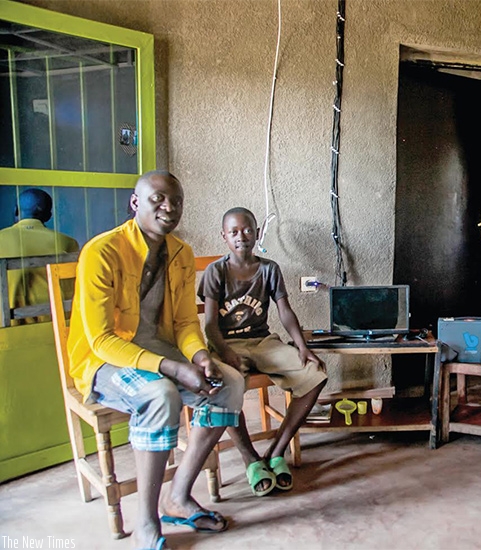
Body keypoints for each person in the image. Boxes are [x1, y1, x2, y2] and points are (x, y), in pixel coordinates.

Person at [67, 171, 244, 550]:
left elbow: (183, 322)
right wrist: (173, 367)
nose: (169, 207)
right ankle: (146, 522)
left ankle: (177, 497)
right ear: (135, 203)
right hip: (105, 362)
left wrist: (198, 356)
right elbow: (100, 339)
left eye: (176, 201)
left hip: (162, 351)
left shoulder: (180, 252)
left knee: (229, 383)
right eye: (158, 199)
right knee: (160, 394)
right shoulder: (103, 251)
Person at [198, 207, 327, 497]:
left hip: (261, 343)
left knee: (315, 374)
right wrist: (224, 352)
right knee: (225, 388)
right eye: (233, 232)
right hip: (225, 345)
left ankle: (276, 451)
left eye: (247, 230)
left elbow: (285, 311)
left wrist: (302, 347)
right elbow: (209, 325)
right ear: (224, 237)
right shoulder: (215, 272)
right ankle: (251, 459)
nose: (241, 236)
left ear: (257, 233)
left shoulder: (269, 269)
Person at [0, 188, 79, 324]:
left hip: (6, 329)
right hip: (56, 325)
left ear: (16, 211)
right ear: (48, 216)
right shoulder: (67, 243)